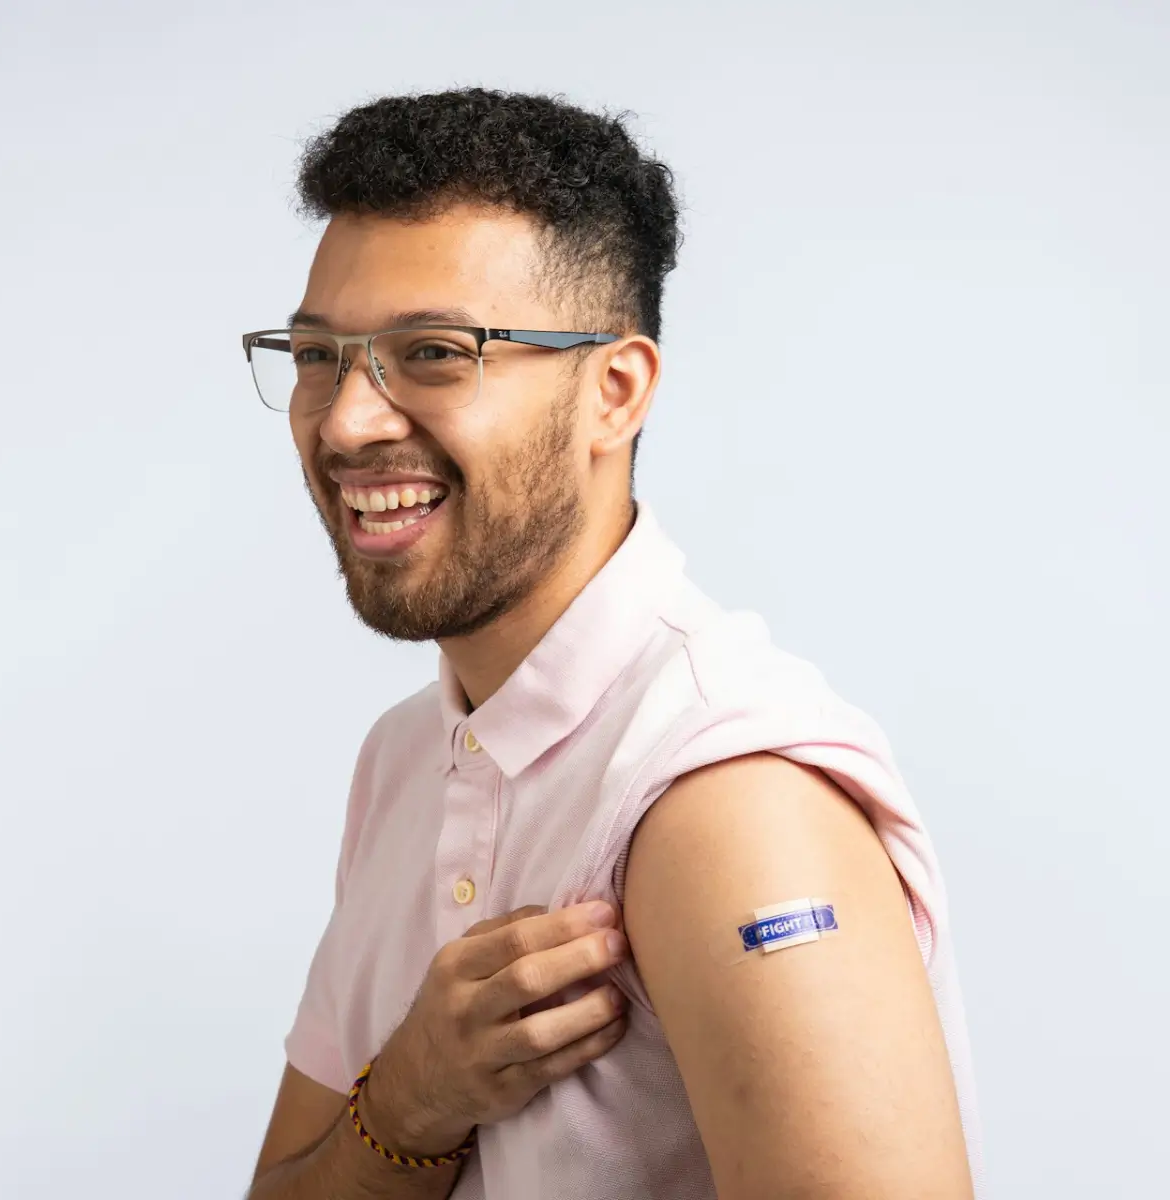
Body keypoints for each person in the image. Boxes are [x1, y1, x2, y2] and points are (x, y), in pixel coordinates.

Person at [242, 88, 982, 1200]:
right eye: (317, 356)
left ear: (615, 392)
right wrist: (409, 1101)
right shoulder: (409, 758)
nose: (347, 420)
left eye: (434, 352)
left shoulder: (729, 802)